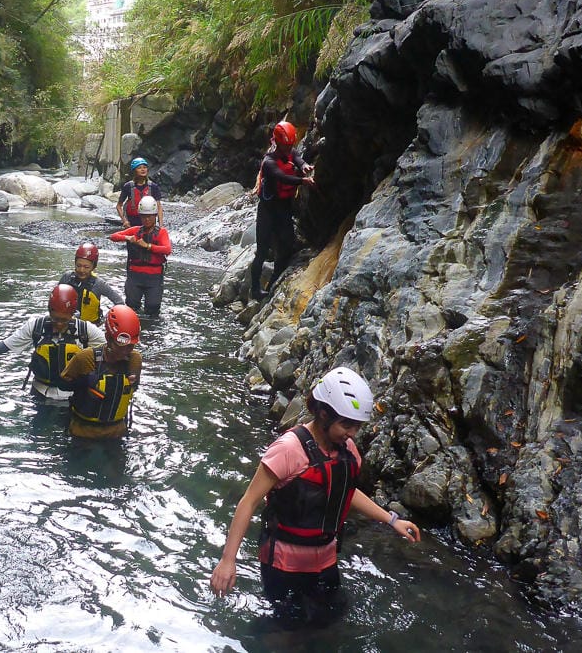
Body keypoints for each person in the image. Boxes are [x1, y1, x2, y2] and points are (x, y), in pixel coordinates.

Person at [209, 366, 421, 626]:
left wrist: (391, 520)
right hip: (283, 565)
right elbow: (249, 501)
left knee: (330, 623)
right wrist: (228, 561)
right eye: (346, 424)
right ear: (323, 414)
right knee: (288, 631)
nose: (352, 433)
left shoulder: (348, 450)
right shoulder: (288, 450)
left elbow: (346, 491)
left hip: (325, 560)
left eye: (357, 426)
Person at [0, 284, 106, 407]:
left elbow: (111, 348)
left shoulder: (85, 330)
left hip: (73, 396)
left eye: (64, 320)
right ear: (49, 311)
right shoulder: (36, 327)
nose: (59, 324)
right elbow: (7, 344)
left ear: (73, 314)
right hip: (40, 394)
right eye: (55, 318)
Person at [250, 120, 314, 301]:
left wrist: (304, 167)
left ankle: (272, 285)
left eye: (290, 146)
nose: (288, 149)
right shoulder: (269, 161)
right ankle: (255, 289)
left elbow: (298, 158)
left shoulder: (290, 152)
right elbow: (282, 177)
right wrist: (303, 181)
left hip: (284, 208)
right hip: (267, 210)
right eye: (285, 146)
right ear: (277, 143)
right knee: (262, 250)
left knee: (286, 246)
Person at [60, 305, 142, 439]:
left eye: (130, 347)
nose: (125, 352)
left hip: (116, 434)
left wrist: (131, 383)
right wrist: (84, 382)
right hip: (83, 433)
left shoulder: (135, 360)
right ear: (108, 338)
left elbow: (132, 390)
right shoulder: (85, 357)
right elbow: (62, 384)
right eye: (120, 346)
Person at [109, 196, 171, 317]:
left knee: (153, 308)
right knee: (131, 307)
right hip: (135, 276)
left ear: (155, 216)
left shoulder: (162, 232)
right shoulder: (135, 231)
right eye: (143, 216)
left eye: (150, 216)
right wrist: (127, 238)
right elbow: (113, 236)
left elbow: (167, 249)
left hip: (154, 277)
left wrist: (148, 246)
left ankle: (151, 332)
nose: (146, 219)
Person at [58, 242, 123, 326]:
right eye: (78, 265)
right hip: (67, 324)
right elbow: (55, 300)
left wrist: (106, 320)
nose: (81, 270)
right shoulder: (66, 278)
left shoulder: (99, 284)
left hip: (91, 327)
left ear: (94, 267)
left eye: (86, 267)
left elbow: (120, 303)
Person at [116, 157, 164, 228]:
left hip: (149, 224)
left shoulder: (153, 186)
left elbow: (159, 207)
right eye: (139, 168)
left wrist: (161, 225)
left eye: (144, 167)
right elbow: (119, 206)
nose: (143, 169)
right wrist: (124, 221)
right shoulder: (128, 186)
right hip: (132, 224)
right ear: (134, 171)